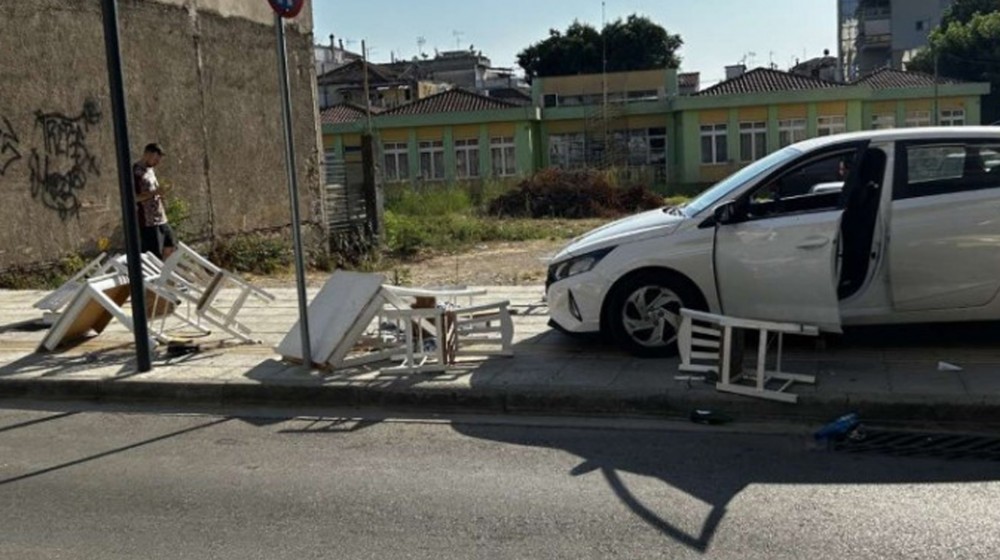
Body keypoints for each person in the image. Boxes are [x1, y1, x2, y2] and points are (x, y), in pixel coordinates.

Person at [133, 143, 176, 260]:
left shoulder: (150, 170)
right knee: (153, 254)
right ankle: (157, 275)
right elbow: (134, 198)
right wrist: (155, 193)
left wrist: (161, 194)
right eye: (156, 159)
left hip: (161, 217)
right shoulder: (136, 173)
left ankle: (165, 271)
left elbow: (153, 190)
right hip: (148, 221)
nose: (157, 162)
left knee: (170, 245)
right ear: (147, 154)